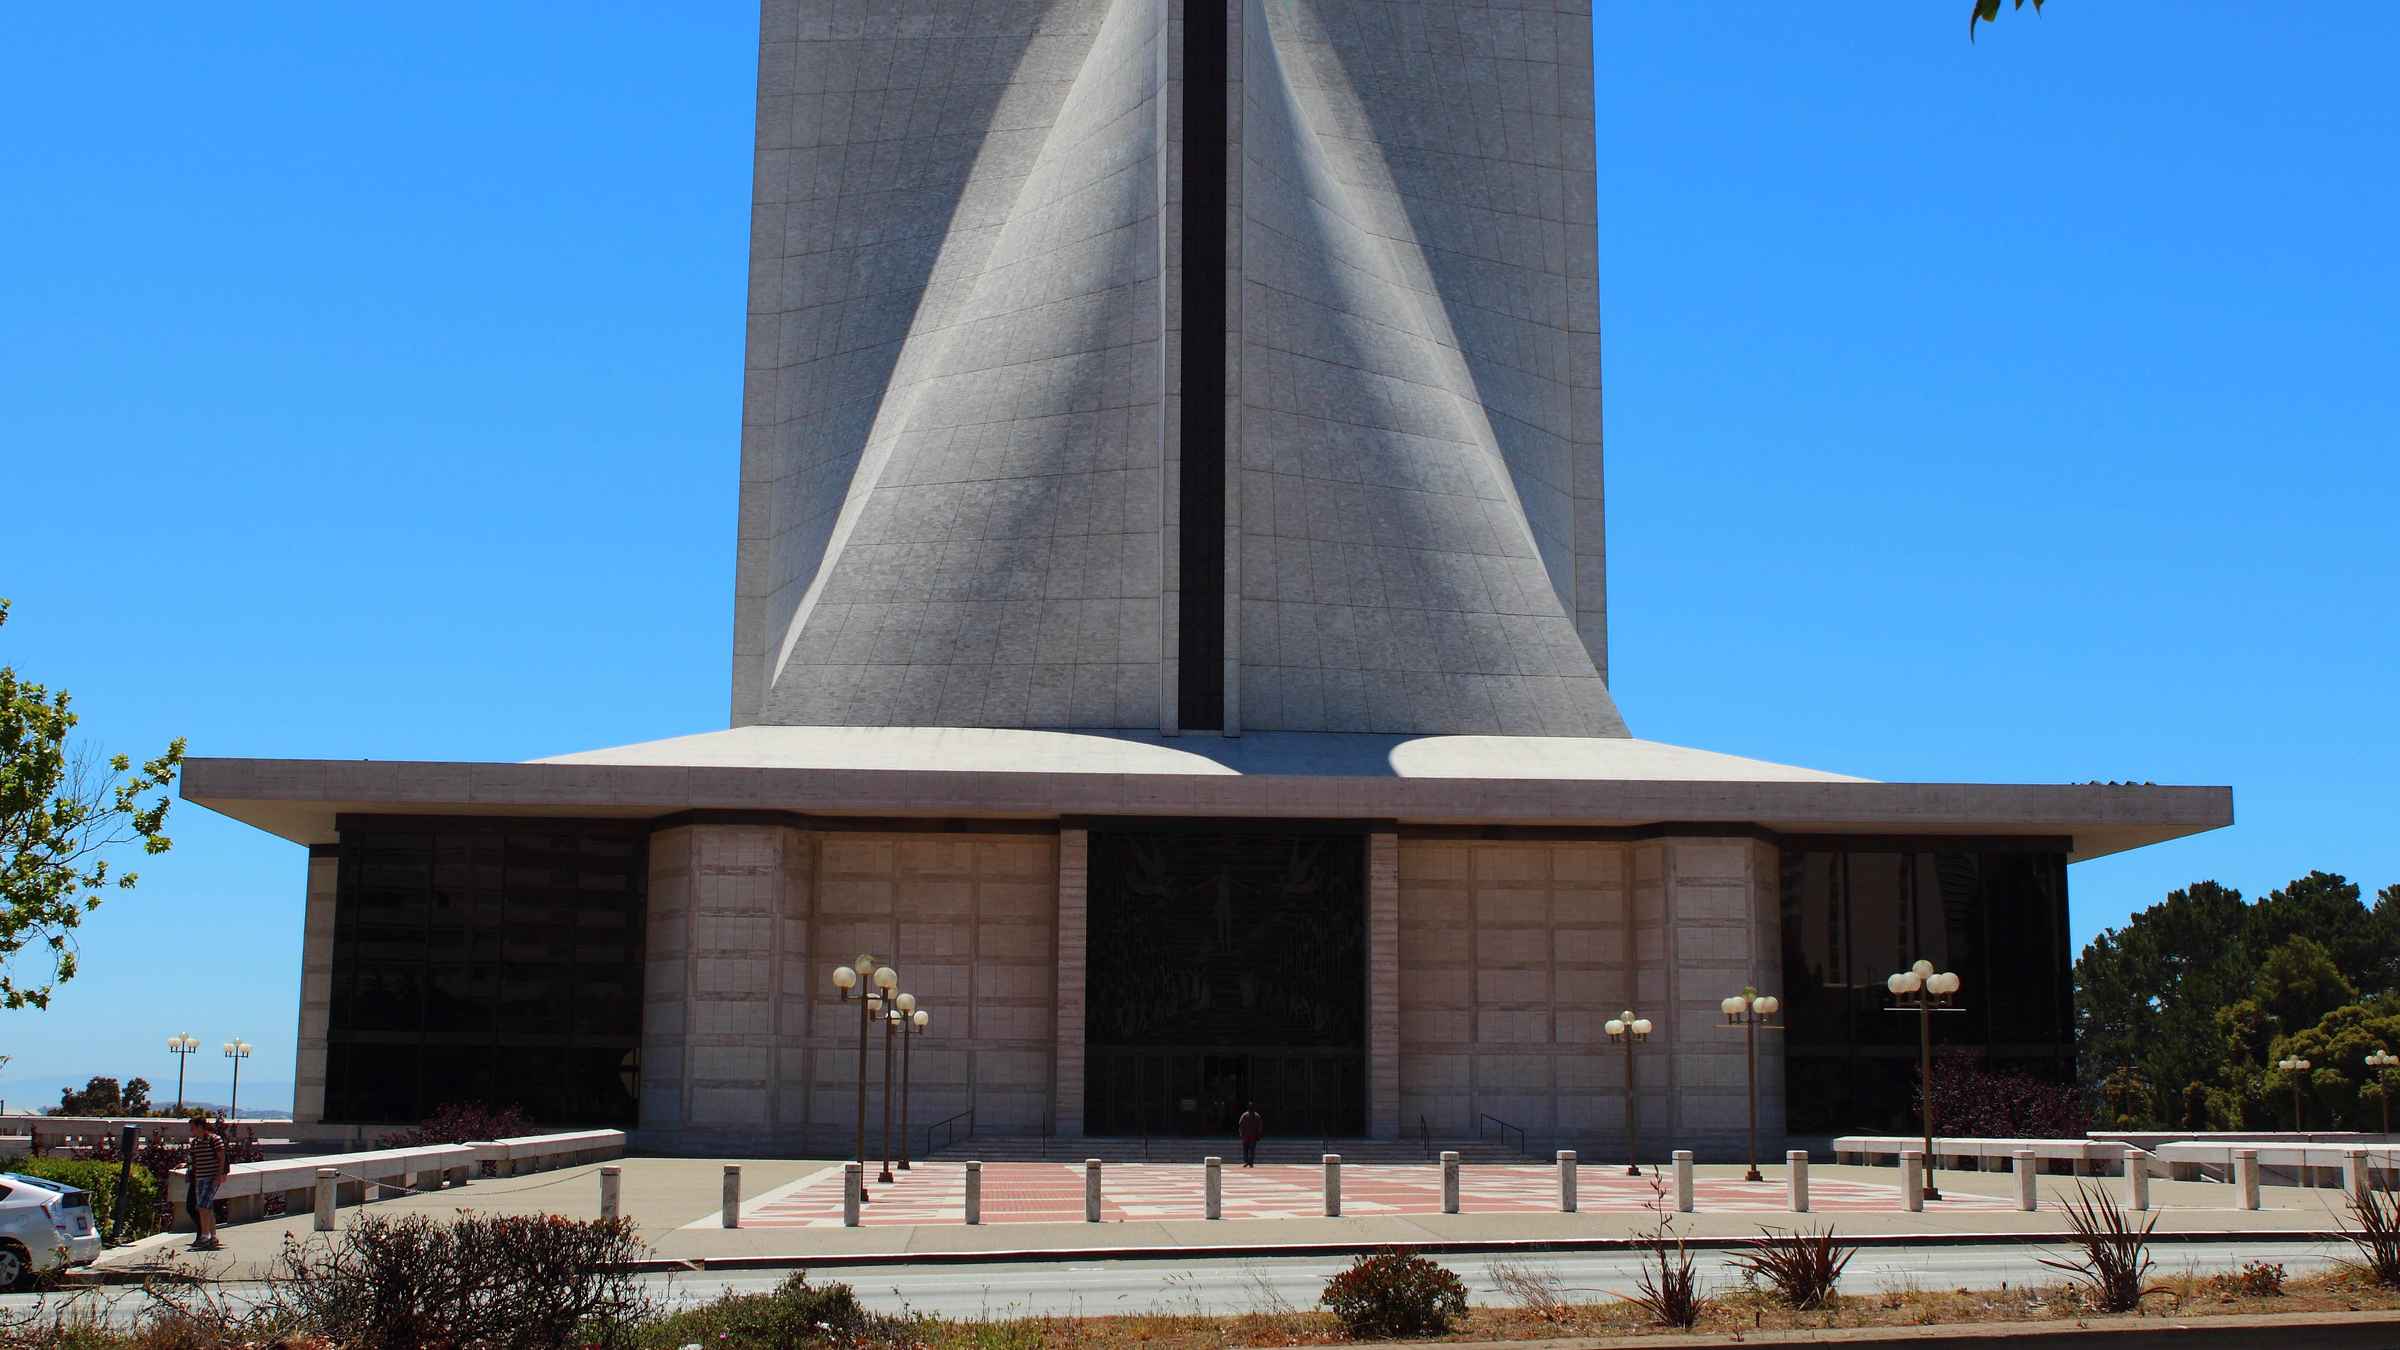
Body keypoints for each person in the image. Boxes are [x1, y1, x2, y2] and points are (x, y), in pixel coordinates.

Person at [187, 1116, 229, 1251]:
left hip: (212, 1178)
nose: (191, 1130)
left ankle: (204, 1237)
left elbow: (222, 1157)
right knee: (207, 1208)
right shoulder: (195, 1143)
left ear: (200, 1126)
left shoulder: (215, 1139)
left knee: (203, 1206)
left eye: (193, 1127)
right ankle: (213, 1237)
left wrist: (219, 1174)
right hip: (200, 1178)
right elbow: (193, 1160)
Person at [1237, 1103, 1264, 1168]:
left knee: (1246, 1150)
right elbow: (1260, 1127)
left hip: (1246, 1136)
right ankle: (1250, 1162)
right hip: (1252, 1136)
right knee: (1251, 1150)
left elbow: (1240, 1124)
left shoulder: (1244, 1115)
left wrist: (1241, 1133)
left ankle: (1247, 1162)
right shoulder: (1257, 1116)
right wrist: (1259, 1135)